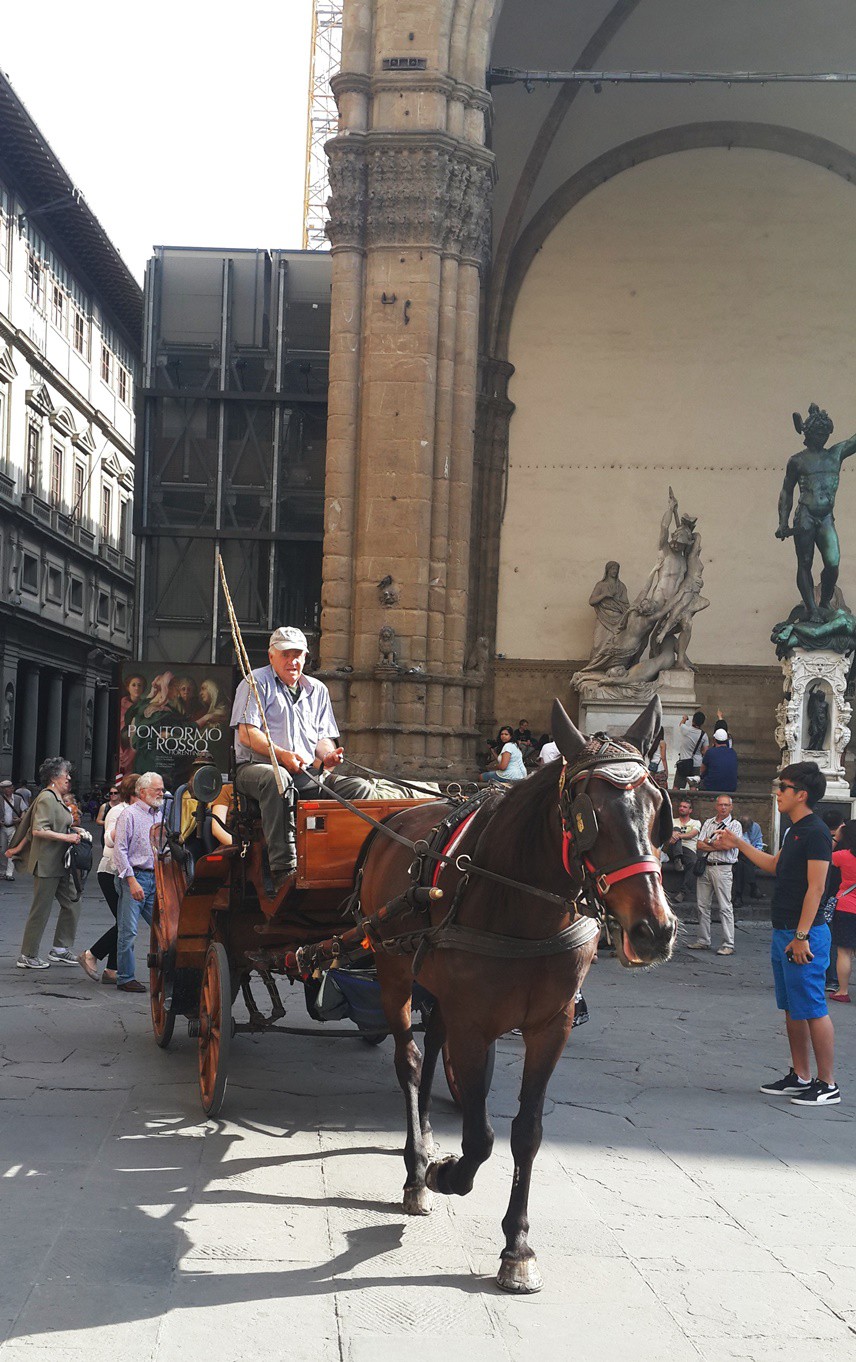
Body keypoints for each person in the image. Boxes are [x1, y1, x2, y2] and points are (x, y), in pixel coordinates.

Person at [715, 762, 839, 1106]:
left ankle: (827, 1083)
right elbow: (772, 865)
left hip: (805, 935)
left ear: (801, 794)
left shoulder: (815, 833)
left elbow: (816, 888)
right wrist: (736, 841)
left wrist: (801, 936)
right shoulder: (795, 831)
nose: (777, 792)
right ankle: (800, 1075)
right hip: (784, 931)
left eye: (782, 787)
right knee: (792, 1007)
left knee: (813, 1007)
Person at [231, 626, 377, 890]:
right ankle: (284, 868)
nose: (293, 661)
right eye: (286, 654)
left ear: (306, 657)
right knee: (279, 778)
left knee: (360, 788)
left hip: (305, 772)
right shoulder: (255, 683)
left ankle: (351, 861)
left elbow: (322, 737)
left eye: (298, 654)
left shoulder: (317, 690)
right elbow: (247, 735)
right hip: (256, 769)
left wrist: (328, 755)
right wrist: (282, 756)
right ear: (271, 656)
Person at [15, 758, 83, 971]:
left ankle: (60, 949)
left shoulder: (57, 798)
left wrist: (75, 832)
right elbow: (38, 830)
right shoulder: (47, 797)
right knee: (41, 909)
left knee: (73, 902)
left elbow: (58, 826)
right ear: (54, 776)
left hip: (60, 862)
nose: (69, 778)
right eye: (66, 774)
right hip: (46, 863)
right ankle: (27, 954)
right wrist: (67, 838)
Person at [77, 776, 136, 983]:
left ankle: (112, 969)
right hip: (111, 871)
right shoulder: (119, 811)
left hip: (119, 872)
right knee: (124, 922)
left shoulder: (131, 811)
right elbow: (109, 841)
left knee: (124, 921)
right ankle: (91, 954)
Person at [113, 771, 165, 993]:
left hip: (156, 877)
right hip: (135, 876)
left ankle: (167, 971)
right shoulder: (129, 815)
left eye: (162, 789)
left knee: (164, 928)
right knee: (129, 930)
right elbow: (120, 850)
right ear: (143, 792)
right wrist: (132, 881)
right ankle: (125, 977)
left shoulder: (159, 815)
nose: (161, 793)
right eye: (157, 789)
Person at [688, 794, 740, 955]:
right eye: (721, 804)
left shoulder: (734, 825)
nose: (723, 807)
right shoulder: (708, 822)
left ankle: (728, 943)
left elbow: (727, 845)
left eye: (726, 805)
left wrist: (709, 844)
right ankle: (703, 940)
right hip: (707, 866)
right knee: (702, 905)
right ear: (716, 806)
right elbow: (698, 844)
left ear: (731, 807)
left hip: (723, 868)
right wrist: (715, 844)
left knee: (725, 906)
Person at [828, 819, 856, 1004]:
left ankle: (843, 991)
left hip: (846, 907)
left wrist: (836, 838)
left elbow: (823, 855)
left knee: (844, 952)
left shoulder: (843, 856)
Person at [661, 797, 700, 903]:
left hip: (688, 849)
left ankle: (683, 892)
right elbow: (666, 837)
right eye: (680, 806)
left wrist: (678, 836)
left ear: (690, 810)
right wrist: (674, 835)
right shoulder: (673, 821)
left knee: (693, 862)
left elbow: (692, 834)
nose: (681, 808)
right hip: (672, 848)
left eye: (685, 807)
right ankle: (678, 858)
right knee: (676, 829)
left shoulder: (695, 822)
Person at [732, 810, 763, 907]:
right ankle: (753, 885)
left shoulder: (756, 827)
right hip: (736, 854)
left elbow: (759, 844)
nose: (744, 831)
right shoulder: (734, 826)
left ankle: (738, 896)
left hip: (751, 854)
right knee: (741, 862)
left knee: (742, 863)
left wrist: (756, 853)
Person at [675, 711, 708, 787]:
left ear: (693, 720)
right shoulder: (704, 735)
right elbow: (705, 751)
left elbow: (681, 724)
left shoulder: (685, 730)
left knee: (677, 785)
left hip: (684, 761)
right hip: (696, 763)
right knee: (693, 786)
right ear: (702, 723)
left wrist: (684, 718)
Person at [1, 778, 24, 882]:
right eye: (4, 789)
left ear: (12, 788)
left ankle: (9, 873)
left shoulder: (18, 799)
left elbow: (25, 810)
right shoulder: (0, 799)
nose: (6, 790)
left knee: (11, 850)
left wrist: (20, 819)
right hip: (2, 828)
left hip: (14, 827)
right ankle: (2, 871)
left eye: (8, 788)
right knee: (2, 850)